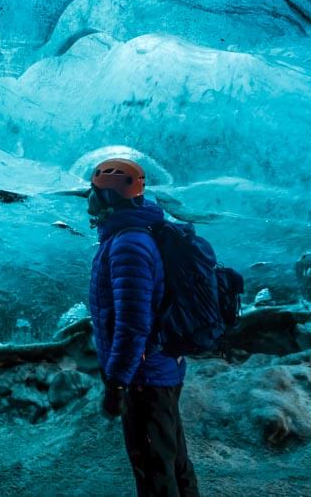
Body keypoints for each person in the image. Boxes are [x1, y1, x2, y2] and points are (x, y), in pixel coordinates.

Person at [87, 158, 200, 497]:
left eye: (94, 192)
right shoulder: (131, 236)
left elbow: (133, 324)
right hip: (154, 370)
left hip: (143, 377)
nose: (90, 200)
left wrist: (117, 383)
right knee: (172, 463)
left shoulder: (128, 244)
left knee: (154, 473)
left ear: (110, 197)